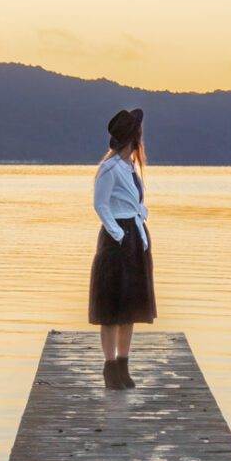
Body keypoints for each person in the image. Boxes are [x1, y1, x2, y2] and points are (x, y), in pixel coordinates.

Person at [89, 106, 157, 389]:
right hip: (117, 239)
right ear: (133, 137)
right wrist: (118, 233)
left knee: (130, 307)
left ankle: (123, 366)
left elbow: (133, 202)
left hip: (136, 236)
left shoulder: (130, 168)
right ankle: (109, 368)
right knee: (111, 307)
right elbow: (100, 204)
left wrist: (141, 216)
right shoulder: (109, 168)